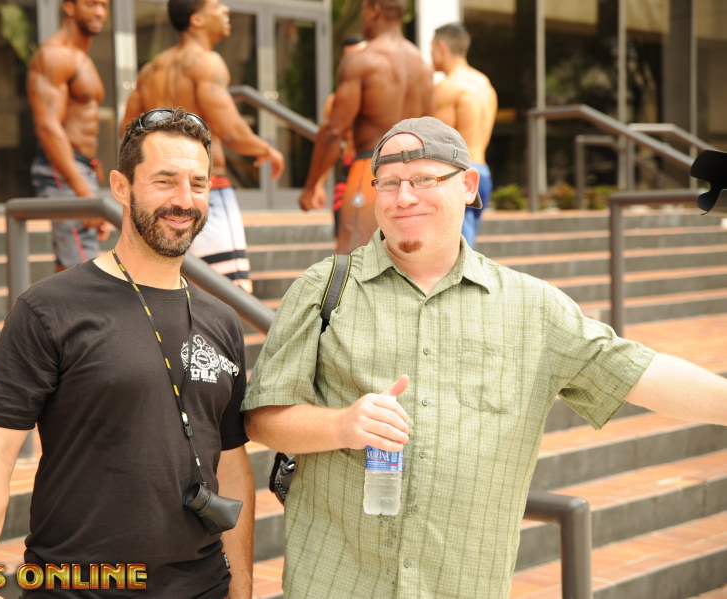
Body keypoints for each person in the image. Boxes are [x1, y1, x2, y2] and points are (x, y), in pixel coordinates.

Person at [243, 116, 727, 598]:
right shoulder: (324, 288)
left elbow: (639, 372)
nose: (403, 197)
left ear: (469, 185)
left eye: (424, 179)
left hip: (463, 585)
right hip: (335, 580)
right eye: (388, 183)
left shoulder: (532, 307)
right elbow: (263, 418)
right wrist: (342, 425)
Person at [0, 109, 255, 599]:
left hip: (202, 587)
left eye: (198, 184)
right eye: (165, 181)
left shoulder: (222, 320)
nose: (184, 200)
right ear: (121, 186)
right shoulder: (50, 307)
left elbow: (233, 464)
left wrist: (241, 586)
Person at [119, 0, 285, 294]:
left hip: (159, 192)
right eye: (217, 5)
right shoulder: (208, 63)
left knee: (175, 286)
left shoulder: (150, 70)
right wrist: (266, 150)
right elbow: (231, 130)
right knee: (231, 292)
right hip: (202, 188)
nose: (226, 10)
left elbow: (127, 131)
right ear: (196, 19)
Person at [297, 0, 433, 254]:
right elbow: (429, 129)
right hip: (414, 177)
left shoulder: (362, 61)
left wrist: (310, 186)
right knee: (405, 261)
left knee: (354, 260)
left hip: (372, 172)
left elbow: (334, 132)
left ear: (374, 9)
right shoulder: (422, 66)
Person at [27, 0, 112, 272]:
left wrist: (88, 171)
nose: (100, 12)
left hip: (79, 168)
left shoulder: (81, 57)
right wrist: (82, 188)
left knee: (77, 260)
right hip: (63, 170)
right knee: (81, 269)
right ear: (69, 7)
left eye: (104, 5)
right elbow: (47, 125)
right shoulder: (54, 55)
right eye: (91, 3)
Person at [431, 22, 497, 247]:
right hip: (482, 174)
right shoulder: (485, 84)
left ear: (441, 47)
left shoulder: (447, 88)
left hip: (459, 176)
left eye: (431, 48)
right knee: (464, 250)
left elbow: (436, 143)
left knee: (453, 254)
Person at [317, 35, 367, 237]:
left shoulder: (385, 96)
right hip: (351, 168)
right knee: (344, 233)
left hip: (381, 171)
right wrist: (318, 184)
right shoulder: (335, 101)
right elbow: (331, 142)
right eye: (350, 58)